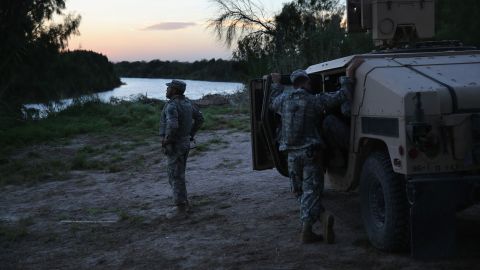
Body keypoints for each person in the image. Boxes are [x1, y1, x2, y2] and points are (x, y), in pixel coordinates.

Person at [270, 58, 364, 244]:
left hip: (291, 155)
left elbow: (271, 103)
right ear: (305, 82)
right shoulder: (315, 101)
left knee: (298, 191)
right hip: (311, 154)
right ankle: (312, 226)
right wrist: (349, 75)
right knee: (311, 191)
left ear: (293, 84)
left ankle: (318, 219)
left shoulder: (282, 101)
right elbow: (342, 95)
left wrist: (276, 83)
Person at [159, 79, 204, 214]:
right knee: (179, 173)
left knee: (175, 175)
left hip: (175, 144)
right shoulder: (188, 103)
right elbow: (200, 119)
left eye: (169, 88)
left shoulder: (172, 106)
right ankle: (184, 202)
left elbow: (172, 125)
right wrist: (190, 134)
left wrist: (167, 140)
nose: (166, 90)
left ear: (174, 90)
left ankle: (181, 208)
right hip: (184, 143)